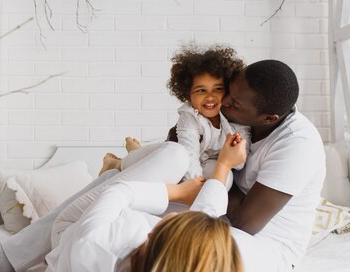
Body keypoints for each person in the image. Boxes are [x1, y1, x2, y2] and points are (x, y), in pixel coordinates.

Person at [0, 59, 325, 272]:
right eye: (229, 92)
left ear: (269, 119)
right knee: (168, 157)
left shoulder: (298, 145)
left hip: (259, 245)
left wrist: (218, 168)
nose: (224, 103)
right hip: (215, 210)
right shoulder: (241, 123)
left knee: (149, 190)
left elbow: (246, 221)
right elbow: (193, 148)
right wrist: (186, 156)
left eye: (234, 103)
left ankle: (24, 253)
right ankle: (19, 252)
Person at [45, 133, 247, 272]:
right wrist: (224, 164)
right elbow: (206, 220)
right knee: (213, 185)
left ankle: (120, 164)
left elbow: (118, 192)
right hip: (130, 225)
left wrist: (178, 192)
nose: (178, 216)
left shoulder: (95, 243)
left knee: (175, 155)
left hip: (72, 226)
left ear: (150, 236)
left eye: (175, 222)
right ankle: (133, 161)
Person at [100, 44, 249, 192]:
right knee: (156, 166)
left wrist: (229, 159)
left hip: (208, 161)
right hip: (178, 155)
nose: (210, 97)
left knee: (226, 178)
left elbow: (239, 163)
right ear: (188, 95)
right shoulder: (190, 116)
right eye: (201, 90)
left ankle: (136, 151)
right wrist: (195, 186)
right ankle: (118, 162)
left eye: (218, 89)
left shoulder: (234, 115)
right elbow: (189, 154)